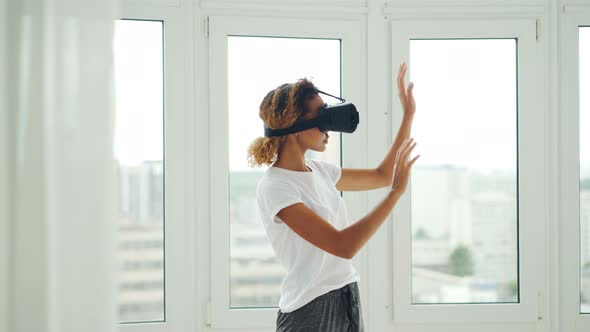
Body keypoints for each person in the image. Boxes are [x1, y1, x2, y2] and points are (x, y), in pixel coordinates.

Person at [247, 63, 419, 332]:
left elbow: (383, 175)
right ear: (294, 126)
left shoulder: (320, 170)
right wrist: (396, 194)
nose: (329, 127)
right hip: (310, 311)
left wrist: (408, 115)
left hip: (347, 296)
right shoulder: (275, 186)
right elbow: (343, 245)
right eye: (322, 117)